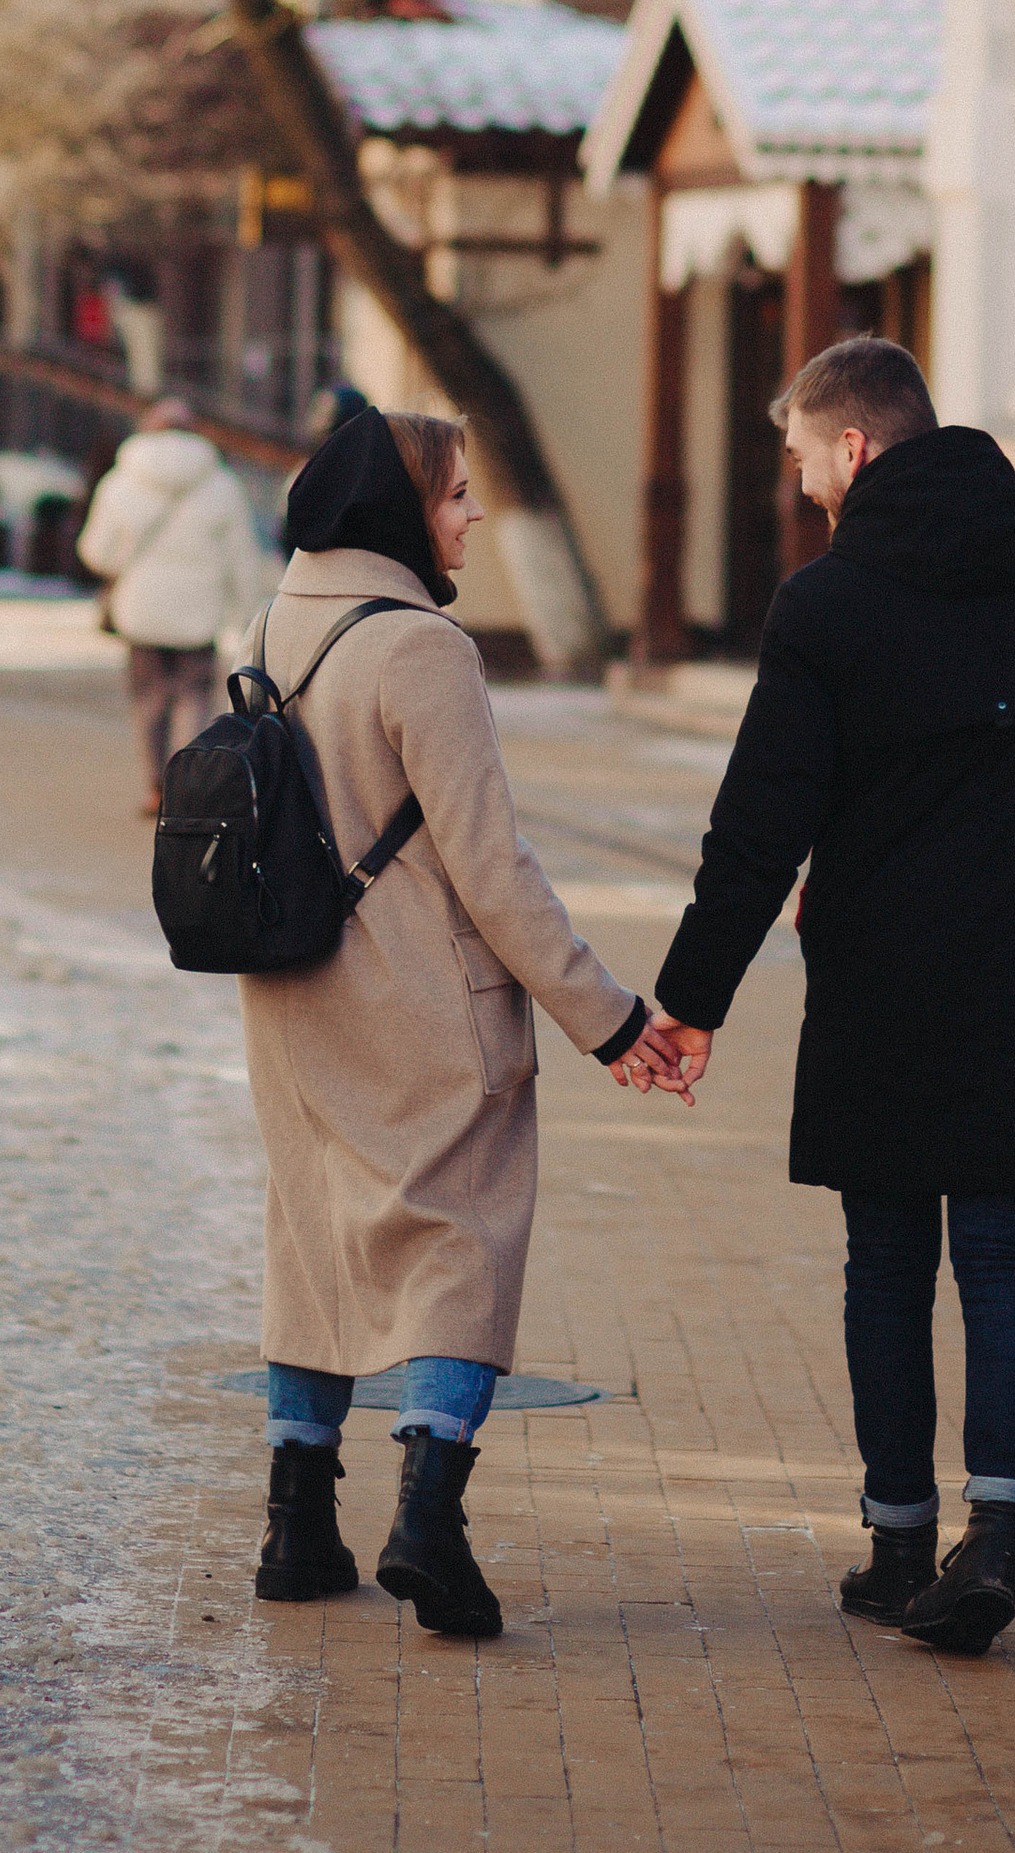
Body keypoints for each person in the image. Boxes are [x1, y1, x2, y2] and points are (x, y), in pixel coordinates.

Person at [647, 335, 1015, 1659]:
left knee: (887, 1261)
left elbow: (759, 826)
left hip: (880, 979)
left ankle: (896, 1545)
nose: (802, 484)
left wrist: (692, 999)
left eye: (803, 457)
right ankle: (1001, 1532)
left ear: (855, 446)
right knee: (1003, 1250)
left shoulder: (828, 605)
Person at [243, 403, 692, 1639]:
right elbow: (491, 869)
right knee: (459, 1243)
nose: (474, 514)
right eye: (452, 493)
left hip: (292, 988)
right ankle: (427, 1523)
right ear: (397, 509)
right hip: (420, 1003)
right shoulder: (421, 649)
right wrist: (609, 1020)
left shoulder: (273, 623)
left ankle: (295, 1525)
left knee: (312, 1231)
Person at [78, 396, 258, 815]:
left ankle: (156, 787)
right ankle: (187, 788)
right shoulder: (222, 485)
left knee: (149, 700)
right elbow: (242, 558)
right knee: (194, 698)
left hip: (141, 612)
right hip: (199, 613)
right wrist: (246, 613)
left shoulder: (120, 483)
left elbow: (96, 553)